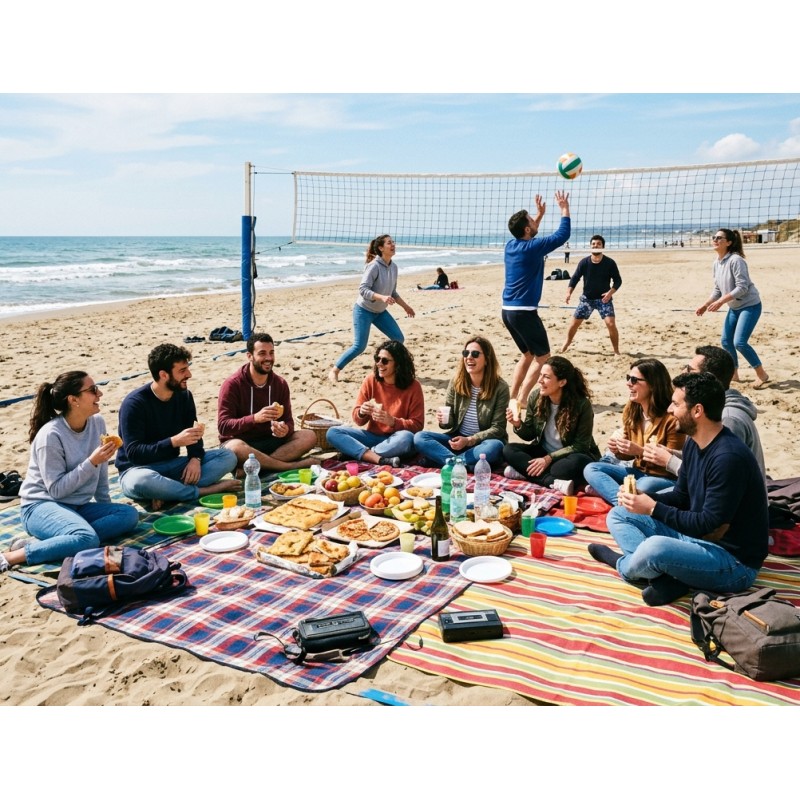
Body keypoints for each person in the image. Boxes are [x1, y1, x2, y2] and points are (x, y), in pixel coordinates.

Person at [588, 372, 769, 607]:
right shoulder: (694, 442)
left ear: (697, 411)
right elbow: (681, 496)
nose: (670, 410)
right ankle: (666, 577)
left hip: (734, 562)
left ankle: (625, 566)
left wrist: (653, 509)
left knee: (655, 547)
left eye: (676, 404)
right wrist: (643, 498)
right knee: (619, 514)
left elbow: (708, 524)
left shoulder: (728, 458)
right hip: (696, 538)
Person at [1, 371, 139, 573]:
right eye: (93, 390)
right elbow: (56, 491)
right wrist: (91, 462)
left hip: (76, 506)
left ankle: (58, 541)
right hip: (40, 506)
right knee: (87, 539)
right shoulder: (51, 435)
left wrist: (107, 506)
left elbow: (101, 473)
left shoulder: (97, 422)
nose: (99, 393)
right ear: (73, 400)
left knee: (128, 515)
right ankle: (12, 556)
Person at [116, 343, 240, 510]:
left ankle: (166, 491)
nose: (189, 374)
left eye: (187, 368)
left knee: (227, 457)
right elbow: (134, 454)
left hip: (173, 466)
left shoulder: (184, 396)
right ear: (163, 375)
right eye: (182, 371)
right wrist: (173, 442)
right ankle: (203, 491)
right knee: (142, 481)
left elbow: (194, 434)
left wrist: (195, 459)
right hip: (138, 470)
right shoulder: (134, 404)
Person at [646, 345, 766, 480]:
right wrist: (672, 454)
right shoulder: (707, 408)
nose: (683, 372)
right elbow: (704, 458)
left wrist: (670, 461)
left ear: (707, 378)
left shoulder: (727, 419)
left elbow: (720, 475)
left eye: (690, 370)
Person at [502, 191, 571, 409]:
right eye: (531, 220)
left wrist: (539, 216)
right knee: (543, 357)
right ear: (526, 229)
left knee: (527, 355)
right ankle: (522, 400)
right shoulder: (532, 247)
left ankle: (513, 396)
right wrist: (564, 208)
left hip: (507, 311)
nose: (534, 220)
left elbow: (529, 235)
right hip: (524, 312)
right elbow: (562, 235)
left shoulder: (510, 246)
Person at [583, 358, 685, 504]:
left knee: (642, 486)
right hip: (637, 472)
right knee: (591, 469)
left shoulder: (671, 419)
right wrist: (618, 450)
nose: (628, 383)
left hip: (663, 478)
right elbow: (627, 456)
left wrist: (640, 451)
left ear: (653, 385)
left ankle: (622, 499)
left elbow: (670, 463)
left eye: (634, 380)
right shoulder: (632, 410)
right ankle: (621, 502)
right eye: (628, 378)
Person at [217, 332, 319, 474]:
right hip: (243, 444)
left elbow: (289, 421)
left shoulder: (280, 384)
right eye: (262, 353)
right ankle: (289, 466)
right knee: (235, 448)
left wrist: (285, 429)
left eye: (271, 353)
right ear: (249, 356)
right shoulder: (232, 385)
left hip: (272, 442)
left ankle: (255, 467)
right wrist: (254, 418)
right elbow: (223, 427)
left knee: (309, 436)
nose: (268, 358)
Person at [502, 356, 600, 495]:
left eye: (546, 377)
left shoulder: (582, 405)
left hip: (571, 456)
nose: (539, 380)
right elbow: (529, 435)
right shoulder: (536, 397)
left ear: (562, 382)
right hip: (543, 451)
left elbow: (581, 445)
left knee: (565, 468)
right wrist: (518, 424)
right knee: (509, 449)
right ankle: (551, 481)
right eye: (540, 375)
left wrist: (549, 459)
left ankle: (526, 473)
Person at [414, 335, 509, 470]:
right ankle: (462, 464)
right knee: (420, 437)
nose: (469, 357)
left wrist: (470, 440)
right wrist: (443, 420)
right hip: (457, 439)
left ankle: (447, 461)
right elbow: (449, 424)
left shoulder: (500, 387)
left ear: (487, 359)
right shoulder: (456, 382)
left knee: (495, 447)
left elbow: (498, 428)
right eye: (466, 353)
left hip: (482, 443)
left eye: (475, 354)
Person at [328, 234, 415, 382]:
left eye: (393, 242)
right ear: (381, 248)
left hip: (380, 312)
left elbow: (393, 292)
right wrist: (382, 297)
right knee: (359, 346)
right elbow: (363, 290)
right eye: (389, 243)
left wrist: (406, 307)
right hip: (363, 310)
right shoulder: (374, 266)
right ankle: (335, 370)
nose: (393, 245)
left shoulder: (394, 267)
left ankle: (387, 366)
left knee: (398, 338)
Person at [326, 340, 424, 467]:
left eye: (385, 361)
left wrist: (393, 422)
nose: (379, 364)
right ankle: (376, 458)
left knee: (407, 438)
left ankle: (364, 454)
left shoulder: (414, 387)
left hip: (396, 440)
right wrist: (361, 412)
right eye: (377, 359)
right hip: (372, 437)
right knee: (333, 432)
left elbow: (417, 425)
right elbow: (358, 421)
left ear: (398, 364)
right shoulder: (371, 380)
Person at [695, 228, 769, 388]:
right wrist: (705, 305)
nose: (715, 240)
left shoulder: (736, 260)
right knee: (726, 341)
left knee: (739, 343)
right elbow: (717, 289)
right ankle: (734, 374)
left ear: (728, 242)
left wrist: (721, 302)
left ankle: (761, 374)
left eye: (719, 238)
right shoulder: (716, 263)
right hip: (735, 307)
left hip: (750, 305)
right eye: (714, 237)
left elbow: (742, 287)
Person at [561, 234, 622, 355]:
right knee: (574, 324)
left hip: (604, 299)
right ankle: (566, 343)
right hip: (587, 299)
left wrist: (610, 293)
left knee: (611, 324)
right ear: (590, 246)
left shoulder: (610, 263)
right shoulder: (584, 262)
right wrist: (568, 293)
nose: (595, 246)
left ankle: (616, 351)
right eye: (593, 244)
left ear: (603, 247)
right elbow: (575, 278)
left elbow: (618, 281)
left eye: (598, 244)